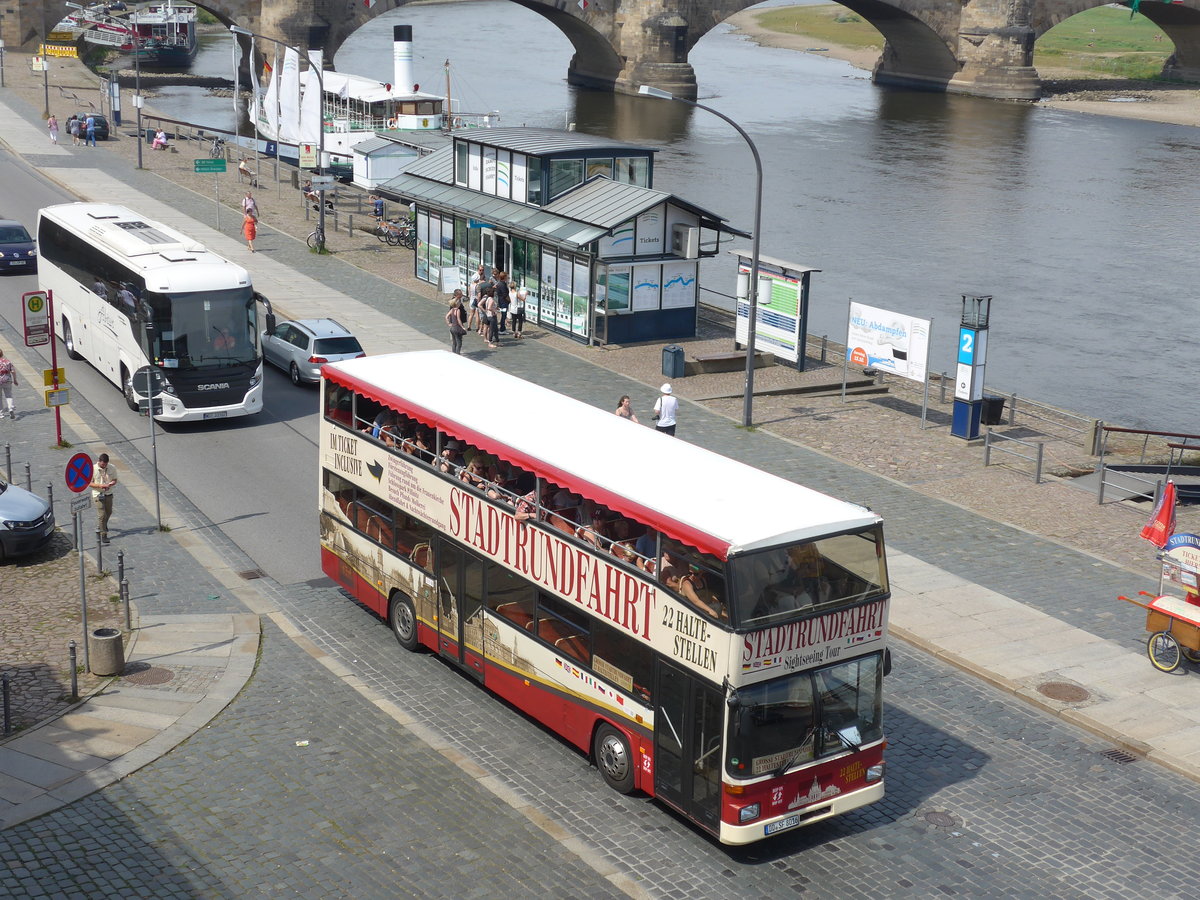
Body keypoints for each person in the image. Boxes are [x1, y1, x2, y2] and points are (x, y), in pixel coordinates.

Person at [90, 453, 118, 543]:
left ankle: (103, 525)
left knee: (109, 512)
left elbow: (115, 479)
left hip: (108, 493)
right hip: (97, 494)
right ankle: (103, 534)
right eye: (102, 465)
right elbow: (89, 483)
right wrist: (100, 485)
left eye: (105, 465)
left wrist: (111, 483)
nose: (104, 466)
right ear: (99, 461)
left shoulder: (112, 468)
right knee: (102, 514)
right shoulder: (92, 469)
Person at [0, 348, 18, 420]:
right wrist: (15, 380)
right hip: (7, 381)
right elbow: (13, 371)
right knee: (8, 396)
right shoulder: (7, 362)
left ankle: (1, 414)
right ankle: (10, 408)